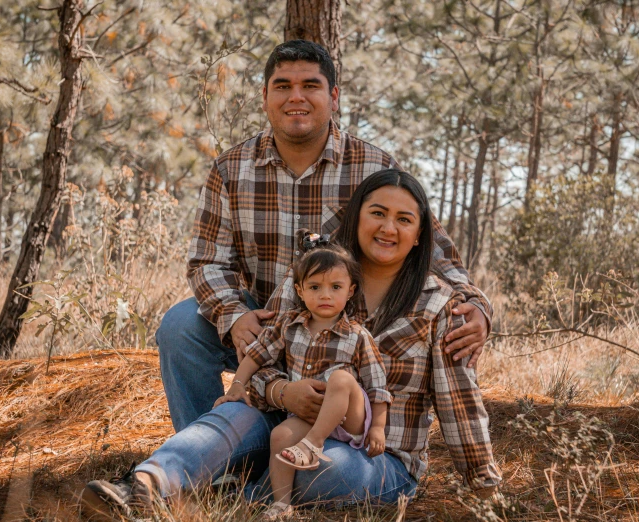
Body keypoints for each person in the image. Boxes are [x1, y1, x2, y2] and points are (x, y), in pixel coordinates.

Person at [79, 169, 501, 520]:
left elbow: (459, 404)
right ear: (356, 219)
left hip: (376, 455)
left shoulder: (441, 305)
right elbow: (261, 360)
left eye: (404, 219)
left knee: (326, 467)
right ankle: (144, 485)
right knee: (229, 418)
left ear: (420, 233)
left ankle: (230, 496)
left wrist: (485, 487)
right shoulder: (311, 279)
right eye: (377, 213)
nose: (389, 228)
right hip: (284, 426)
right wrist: (281, 391)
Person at [156, 39, 493, 435]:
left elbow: (431, 251)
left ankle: (316, 444)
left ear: (333, 96)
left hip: (338, 327)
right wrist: (233, 316)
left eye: (310, 86)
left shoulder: (373, 166)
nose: (295, 97)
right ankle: (204, 459)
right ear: (265, 96)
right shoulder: (232, 168)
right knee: (179, 326)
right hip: (262, 321)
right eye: (282, 86)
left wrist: (477, 306)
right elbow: (208, 261)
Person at [215, 233, 391, 519]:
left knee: (341, 379)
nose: (325, 295)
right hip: (309, 415)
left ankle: (312, 445)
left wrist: (378, 428)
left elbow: (377, 386)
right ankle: (281, 505)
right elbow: (256, 355)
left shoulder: (358, 335)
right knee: (281, 434)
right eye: (315, 286)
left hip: (350, 417)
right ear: (299, 290)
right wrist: (237, 384)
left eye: (335, 287)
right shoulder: (288, 326)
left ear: (350, 290)